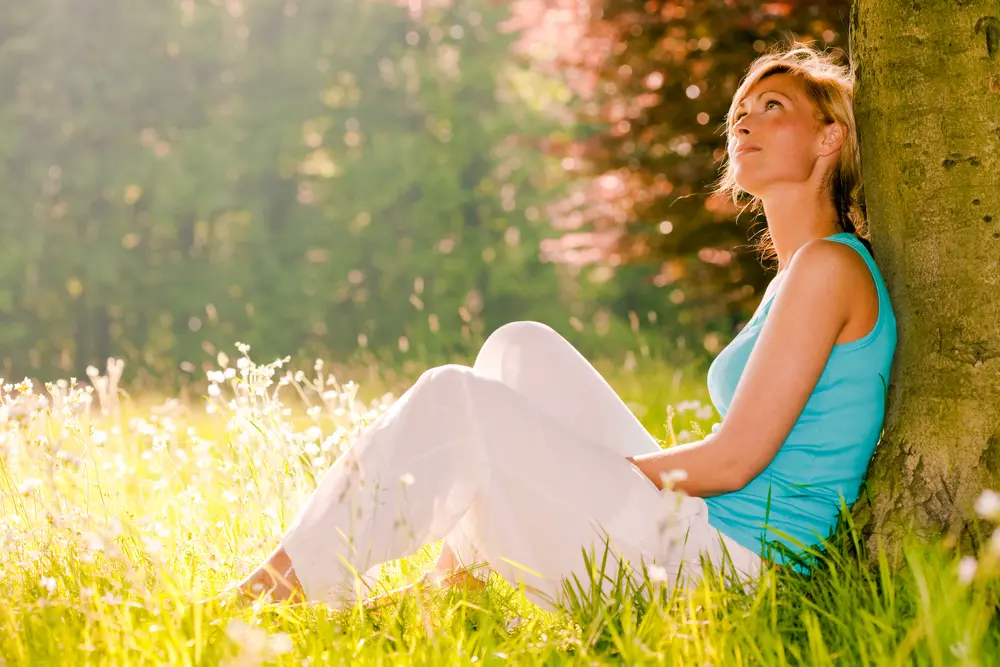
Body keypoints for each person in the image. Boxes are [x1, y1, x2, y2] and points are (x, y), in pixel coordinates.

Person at [220, 41, 897, 611]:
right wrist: (572, 465)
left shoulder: (828, 268)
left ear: (829, 137)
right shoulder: (799, 275)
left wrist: (594, 471)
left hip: (729, 569)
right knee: (519, 347)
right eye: (739, 112)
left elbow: (732, 461)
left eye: (771, 107)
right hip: (705, 535)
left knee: (457, 398)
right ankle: (448, 592)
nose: (743, 121)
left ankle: (269, 592)